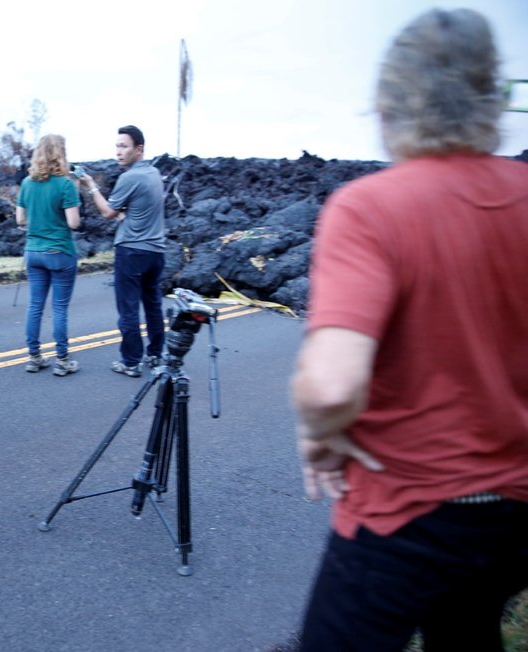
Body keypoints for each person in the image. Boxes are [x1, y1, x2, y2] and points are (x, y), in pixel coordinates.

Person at [291, 9, 528, 651]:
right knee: (468, 633)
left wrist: (319, 437)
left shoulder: (370, 209)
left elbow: (331, 386)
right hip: (515, 513)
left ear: (388, 104)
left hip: (405, 517)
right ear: (492, 96)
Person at [79, 125, 166, 378]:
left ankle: (131, 362)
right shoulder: (154, 173)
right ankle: (155, 354)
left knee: (128, 308)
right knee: (153, 306)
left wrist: (91, 186)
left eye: (123, 146)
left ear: (139, 149)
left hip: (131, 251)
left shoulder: (129, 178)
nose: (118, 152)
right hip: (156, 251)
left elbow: (107, 213)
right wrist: (127, 215)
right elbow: (142, 209)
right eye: (117, 146)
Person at [15, 134, 81, 376]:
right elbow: (74, 223)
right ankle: (62, 361)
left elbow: (20, 219)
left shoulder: (26, 184)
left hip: (33, 252)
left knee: (35, 306)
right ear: (60, 154)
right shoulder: (65, 184)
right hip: (60, 252)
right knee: (60, 308)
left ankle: (34, 357)